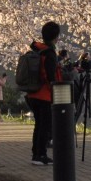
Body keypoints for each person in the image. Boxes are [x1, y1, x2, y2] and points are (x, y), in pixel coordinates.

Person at [21, 21, 62, 165]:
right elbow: (50, 76)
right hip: (44, 95)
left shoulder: (37, 50)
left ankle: (36, 154)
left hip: (32, 94)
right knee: (45, 126)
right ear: (55, 37)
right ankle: (41, 155)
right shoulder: (49, 53)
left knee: (39, 125)